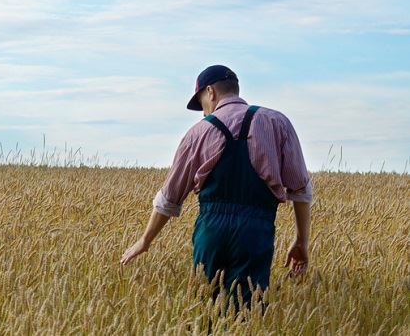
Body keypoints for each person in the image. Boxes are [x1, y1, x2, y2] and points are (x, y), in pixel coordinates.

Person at [120, 65, 313, 310]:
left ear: (210, 92)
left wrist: (145, 240)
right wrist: (301, 241)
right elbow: (301, 190)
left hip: (211, 232)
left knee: (205, 309)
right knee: (249, 310)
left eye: (201, 103)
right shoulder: (277, 123)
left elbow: (169, 199)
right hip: (256, 232)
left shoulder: (198, 133)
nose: (203, 113)